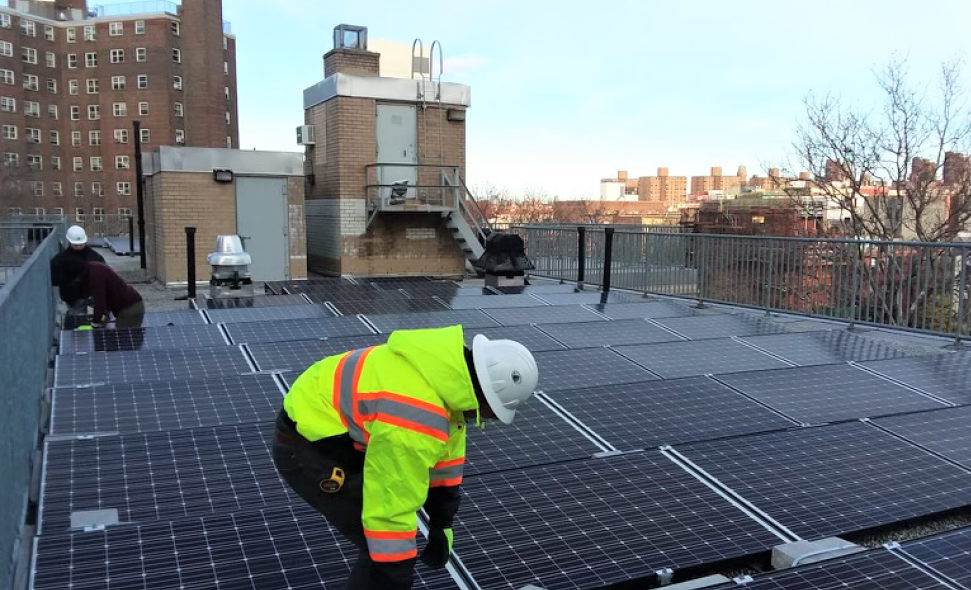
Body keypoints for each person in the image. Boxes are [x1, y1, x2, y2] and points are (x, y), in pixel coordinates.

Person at [273, 325, 538, 590]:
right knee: (379, 547)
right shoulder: (416, 414)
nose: (490, 419)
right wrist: (395, 573)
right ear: (485, 396)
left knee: (386, 546)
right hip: (309, 443)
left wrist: (441, 523)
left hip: (341, 427)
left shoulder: (449, 381)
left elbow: (446, 464)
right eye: (494, 412)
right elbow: (391, 502)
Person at [60, 259, 145, 328]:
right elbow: (104, 294)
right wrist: (99, 317)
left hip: (130, 309)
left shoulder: (95, 276)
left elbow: (100, 302)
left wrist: (95, 322)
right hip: (129, 306)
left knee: (125, 341)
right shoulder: (91, 267)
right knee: (125, 340)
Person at [50, 225, 105, 309]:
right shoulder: (60, 260)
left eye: (80, 244)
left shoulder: (95, 257)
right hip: (72, 298)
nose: (79, 246)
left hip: (90, 296)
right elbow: (55, 279)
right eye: (76, 245)